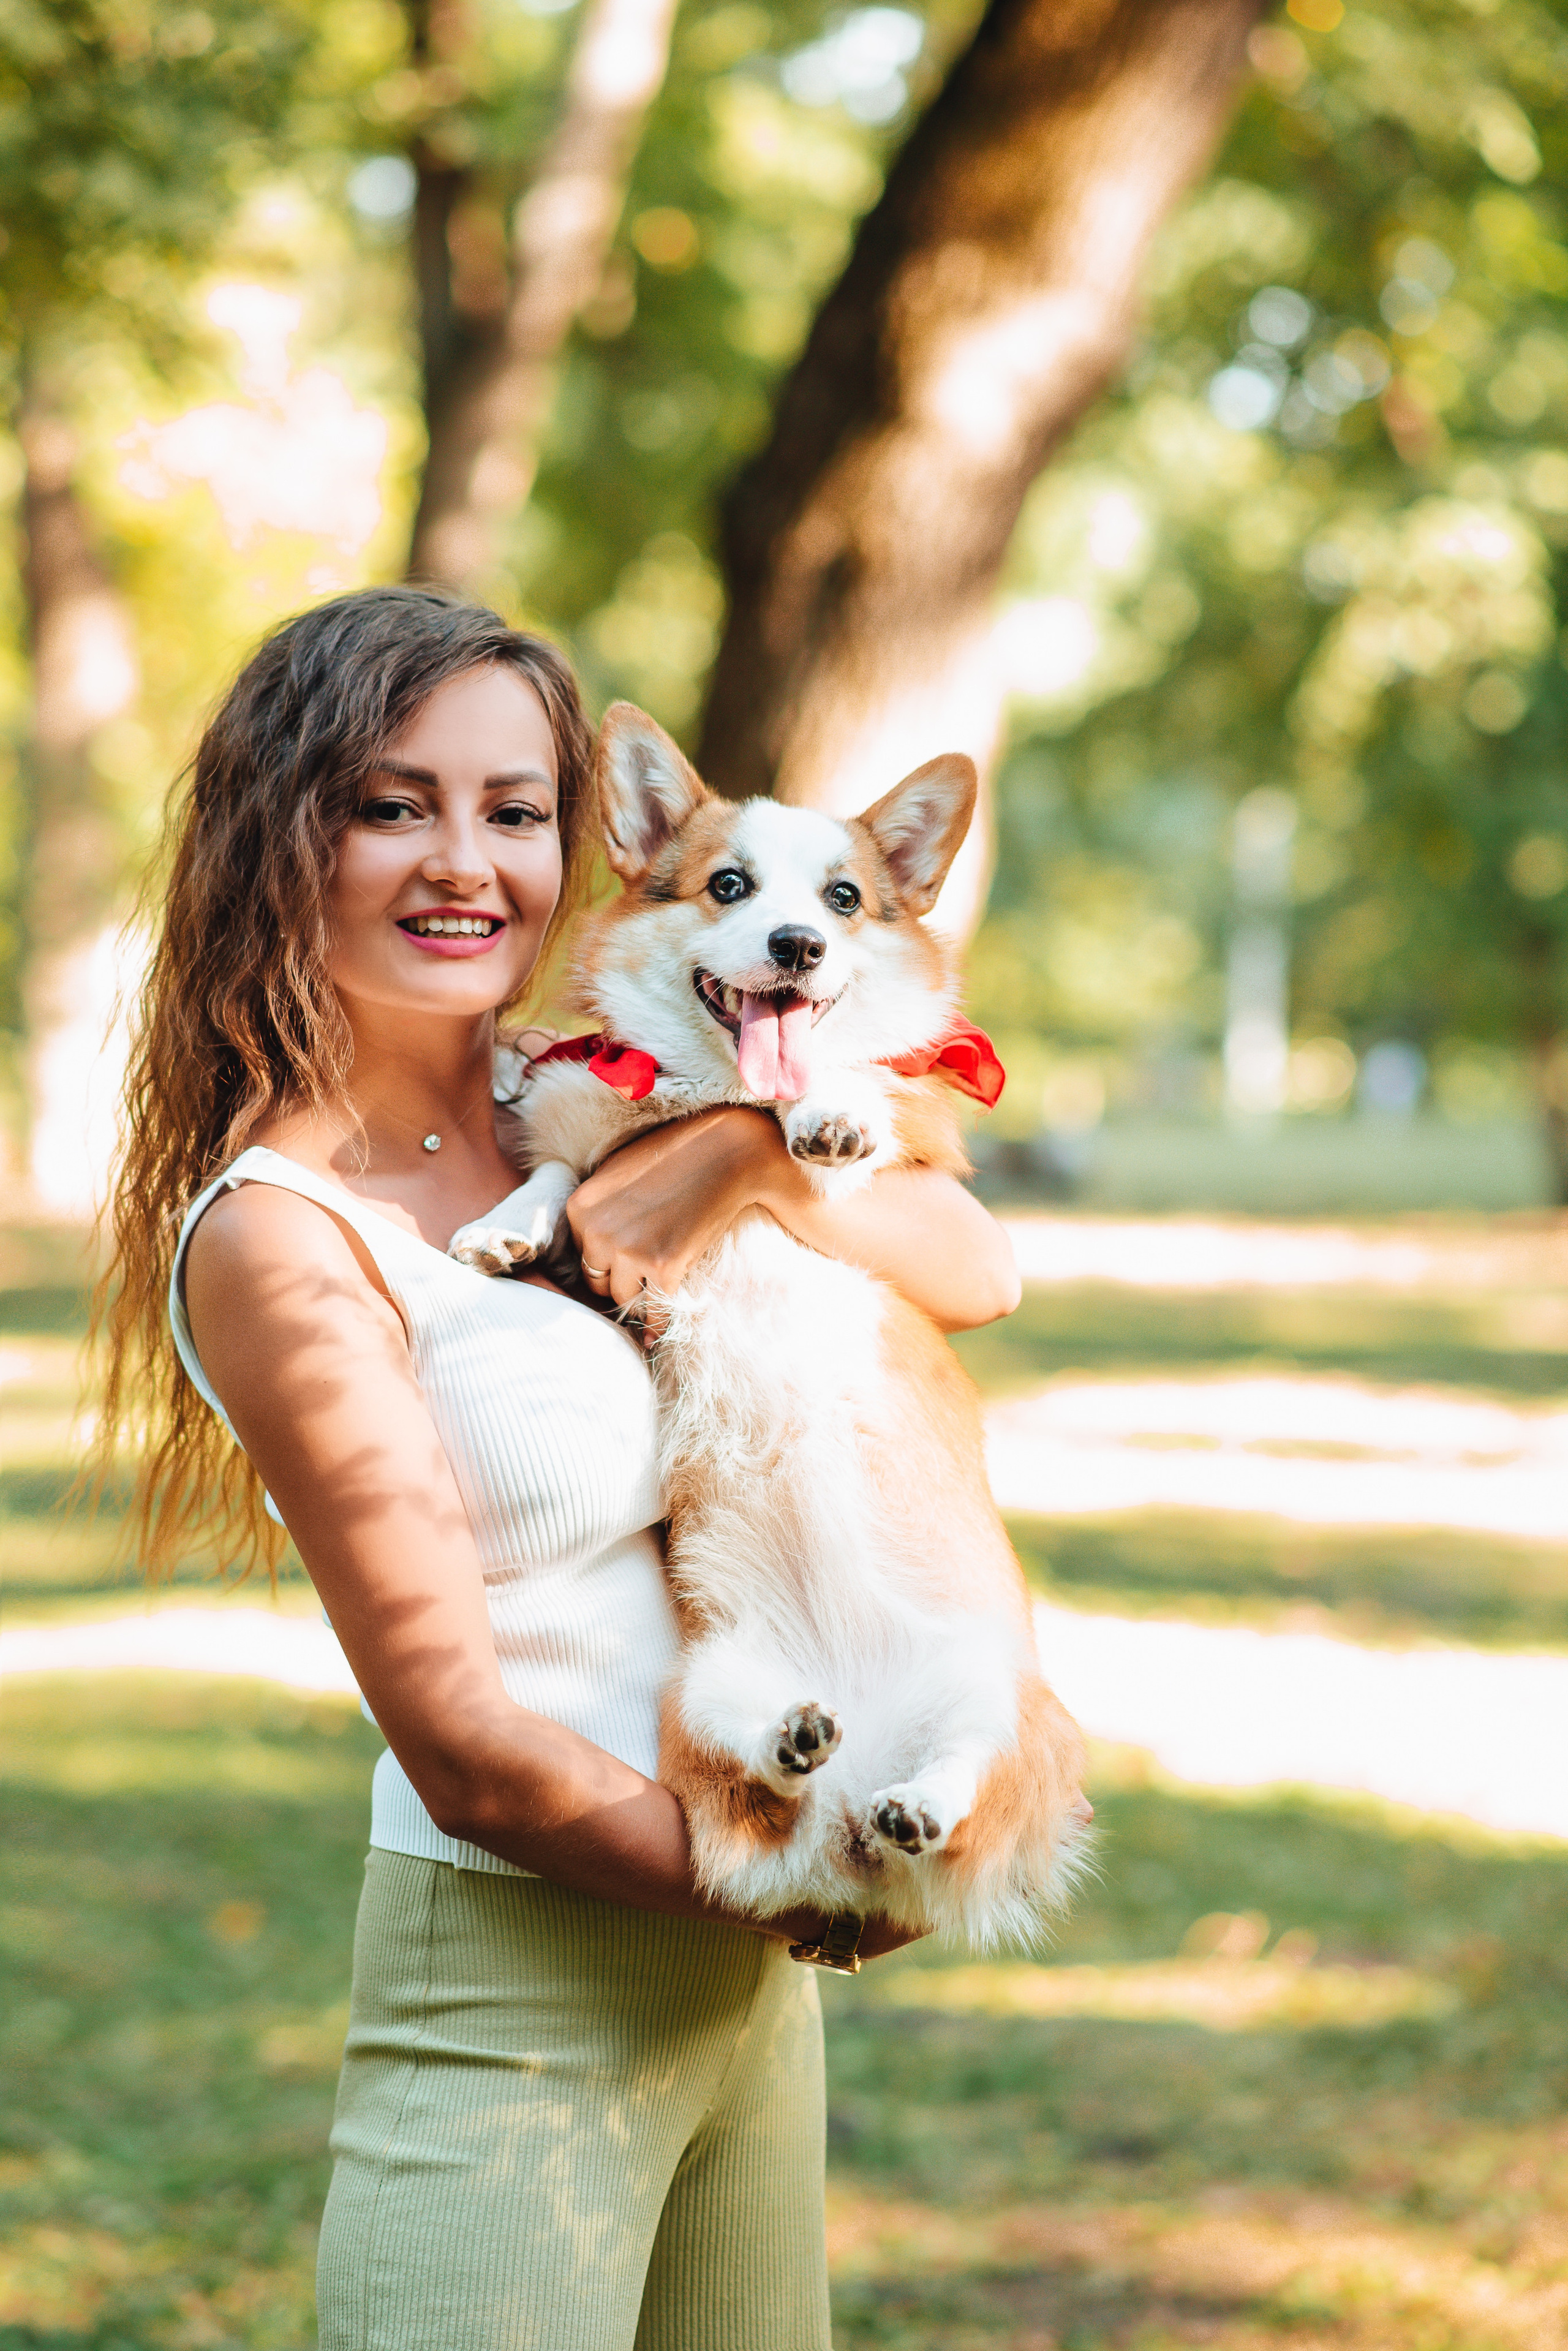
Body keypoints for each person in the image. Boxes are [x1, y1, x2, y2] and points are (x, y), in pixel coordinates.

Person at [98, 586, 1028, 2351]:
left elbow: (977, 1272)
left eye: (514, 810)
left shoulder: (578, 1090)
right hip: (525, 1977)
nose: (468, 863)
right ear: (279, 842)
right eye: (393, 804)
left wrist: (751, 1143)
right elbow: (465, 1753)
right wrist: (821, 1888)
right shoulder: (282, 1238)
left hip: (743, 1972)